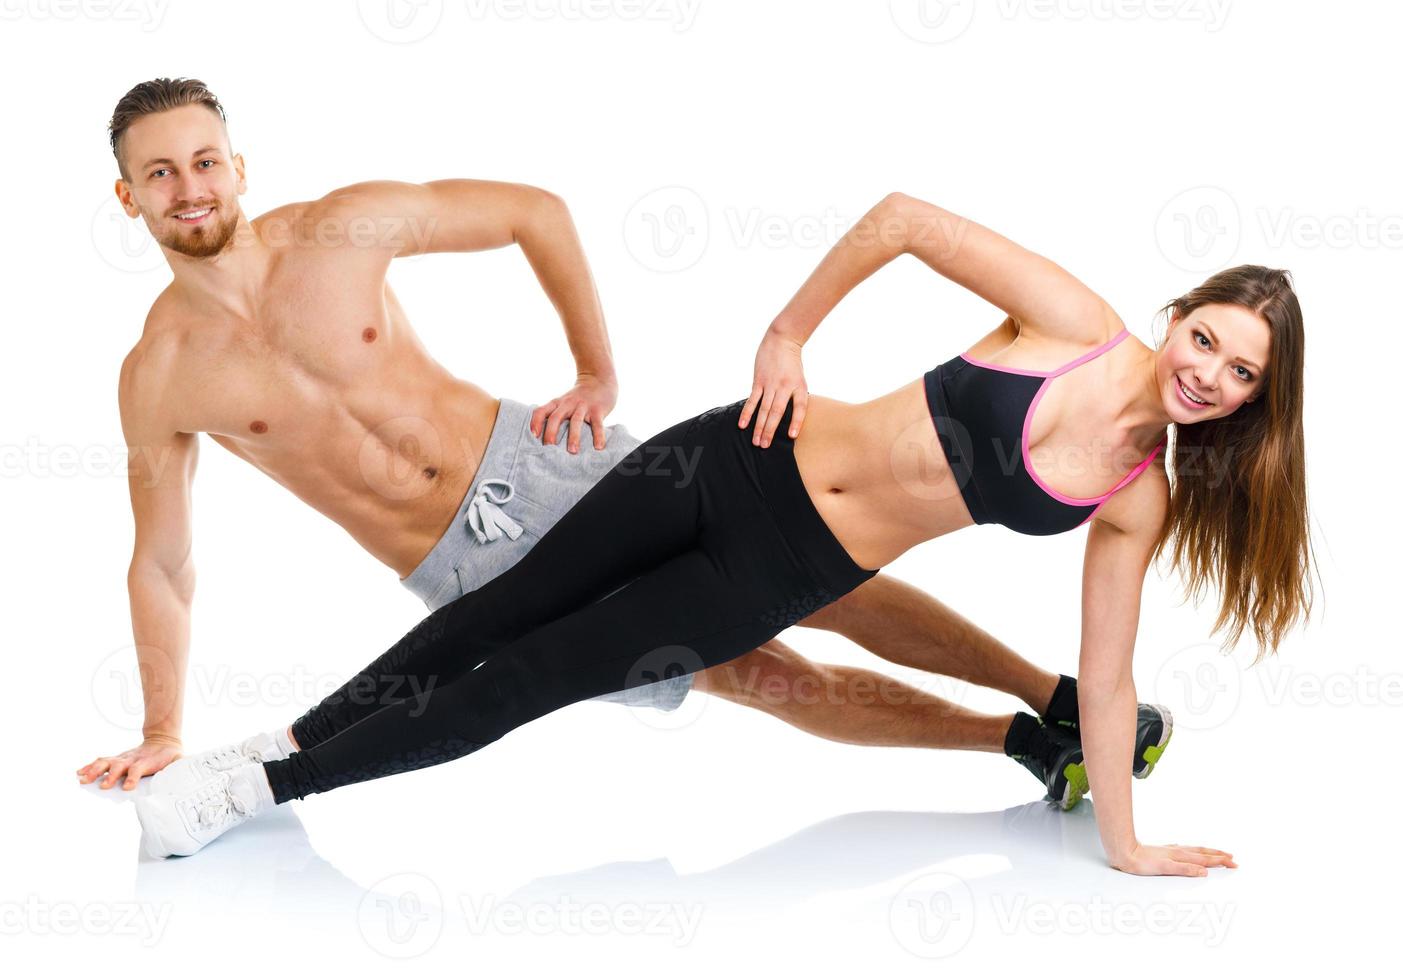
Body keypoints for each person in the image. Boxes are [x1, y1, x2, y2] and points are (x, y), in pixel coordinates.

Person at [135, 189, 1314, 876]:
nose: (1206, 371)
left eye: (1239, 372)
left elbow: (1105, 678)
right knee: (500, 607)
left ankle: (263, 785)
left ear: (1257, 401)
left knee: (535, 675)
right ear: (1175, 319)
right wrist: (788, 336)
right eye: (1205, 337)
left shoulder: (1133, 495)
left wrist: (1126, 843)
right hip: (736, 447)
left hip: (784, 564)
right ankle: (278, 747)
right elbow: (902, 218)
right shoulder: (1075, 324)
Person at [80, 78, 1161, 814]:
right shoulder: (159, 376)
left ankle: (1051, 693)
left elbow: (532, 212)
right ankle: (1016, 744)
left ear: (239, 163)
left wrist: (595, 373)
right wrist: (163, 723)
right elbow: (162, 557)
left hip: (553, 460)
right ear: (128, 198)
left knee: (832, 576)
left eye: (204, 160)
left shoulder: (344, 226)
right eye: (161, 175)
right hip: (463, 565)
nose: (191, 189)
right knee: (756, 677)